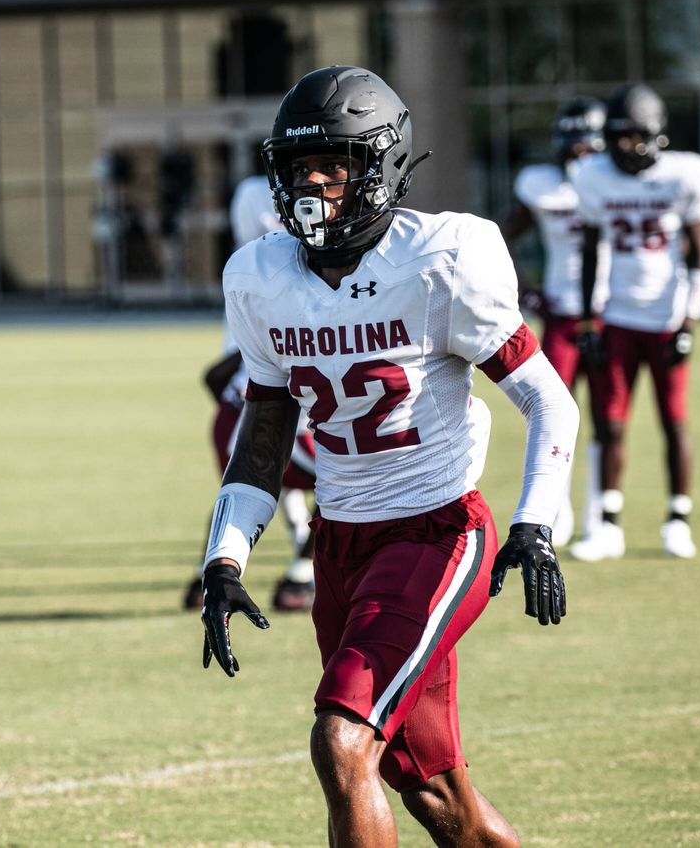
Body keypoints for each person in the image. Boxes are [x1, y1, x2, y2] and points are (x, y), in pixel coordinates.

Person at [197, 66, 579, 848]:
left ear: (381, 167)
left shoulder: (442, 260)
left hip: (434, 534)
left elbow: (548, 398)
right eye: (300, 169)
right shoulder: (261, 277)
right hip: (341, 544)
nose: (313, 186)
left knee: (341, 744)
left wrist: (534, 523)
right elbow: (262, 437)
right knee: (438, 797)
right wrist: (224, 561)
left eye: (333, 167)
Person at [567, 84, 700, 561]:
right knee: (610, 423)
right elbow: (590, 250)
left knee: (673, 420)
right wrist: (589, 321)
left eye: (636, 135)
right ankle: (609, 524)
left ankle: (678, 519)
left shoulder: (688, 174)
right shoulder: (592, 174)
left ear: (658, 135)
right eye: (618, 136)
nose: (626, 146)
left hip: (667, 318)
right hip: (616, 317)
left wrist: (690, 322)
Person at [182, 173, 319, 612]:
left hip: (233, 411)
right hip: (267, 410)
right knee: (353, 484)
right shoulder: (287, 277)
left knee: (240, 490)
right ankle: (301, 578)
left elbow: (213, 377)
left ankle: (208, 579)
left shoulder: (248, 272)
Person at [500, 96, 611, 547]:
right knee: (551, 412)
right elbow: (501, 236)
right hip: (562, 313)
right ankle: (557, 511)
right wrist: (525, 289)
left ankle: (601, 517)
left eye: (588, 145)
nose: (580, 154)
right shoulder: (541, 186)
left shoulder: (614, 186)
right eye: (574, 145)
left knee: (608, 418)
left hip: (612, 313)